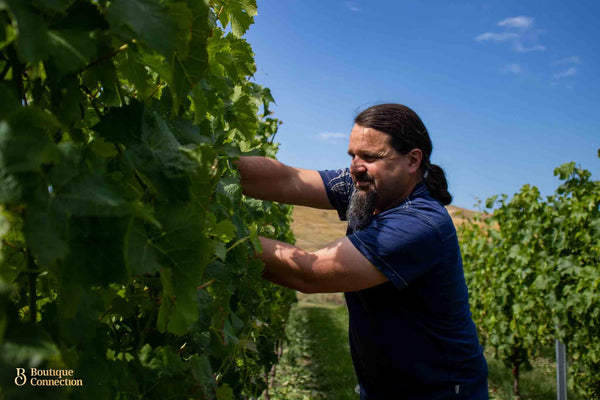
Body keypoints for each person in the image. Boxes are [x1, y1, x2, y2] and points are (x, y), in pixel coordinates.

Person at [236, 103, 489, 399]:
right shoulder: (367, 186)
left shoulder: (420, 224)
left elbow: (310, 273)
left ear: (412, 160)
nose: (356, 166)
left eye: (370, 156)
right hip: (386, 387)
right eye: (352, 155)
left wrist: (218, 235)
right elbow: (288, 179)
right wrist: (209, 167)